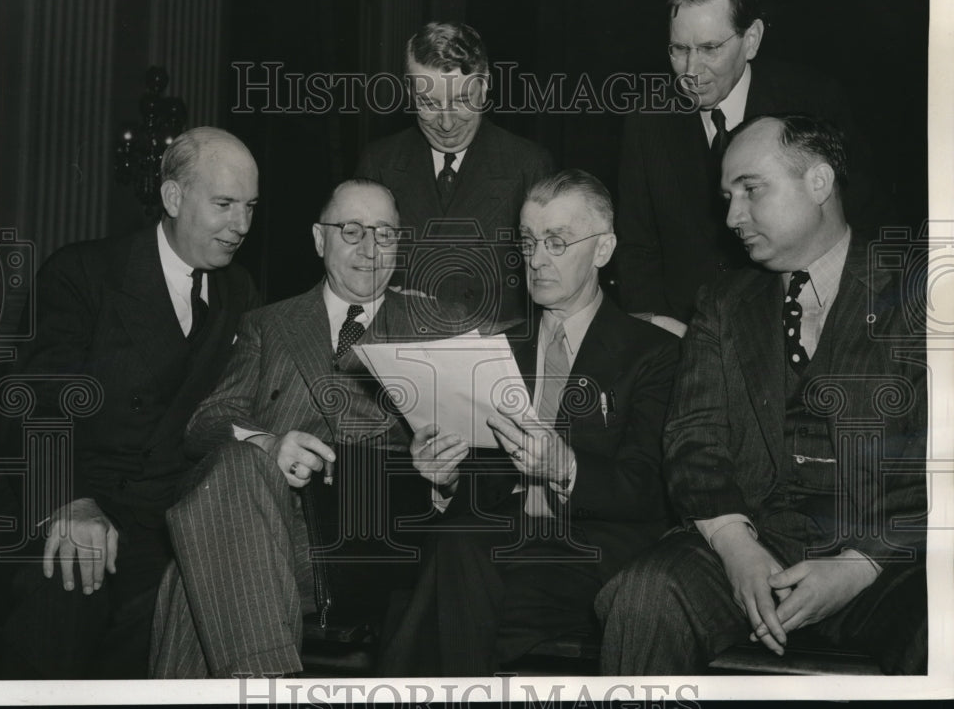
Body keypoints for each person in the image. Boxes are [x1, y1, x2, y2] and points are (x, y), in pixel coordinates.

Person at [596, 115, 927, 675]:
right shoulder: (724, 302)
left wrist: (860, 564)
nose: (731, 217)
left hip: (887, 559)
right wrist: (734, 547)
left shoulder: (919, 292)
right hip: (753, 542)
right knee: (646, 594)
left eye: (751, 190)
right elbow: (692, 442)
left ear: (818, 184)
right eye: (728, 196)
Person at [380, 170, 679, 676]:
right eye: (528, 241)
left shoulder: (654, 353)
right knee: (454, 555)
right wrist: (447, 476)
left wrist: (567, 468)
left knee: (423, 594)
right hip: (498, 547)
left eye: (556, 242)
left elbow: (652, 489)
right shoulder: (501, 350)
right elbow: (489, 480)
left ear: (603, 249)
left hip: (596, 547)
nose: (536, 259)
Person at [149, 179, 451, 678]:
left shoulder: (435, 324)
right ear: (318, 239)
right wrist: (268, 442)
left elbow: (479, 450)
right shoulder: (267, 324)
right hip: (262, 516)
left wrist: (439, 467)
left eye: (385, 234)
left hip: (366, 534)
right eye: (351, 231)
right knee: (242, 471)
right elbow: (205, 423)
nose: (369, 249)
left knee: (195, 569)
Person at [0, 127, 262, 678]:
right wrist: (69, 503)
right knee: (58, 613)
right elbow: (34, 406)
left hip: (169, 522)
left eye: (250, 207)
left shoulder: (242, 294)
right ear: (172, 198)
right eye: (224, 205)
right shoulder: (84, 274)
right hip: (79, 498)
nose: (241, 226)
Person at [615, 0, 880, 329]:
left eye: (710, 48)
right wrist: (654, 325)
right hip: (682, 330)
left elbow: (858, 219)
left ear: (751, 39)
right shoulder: (646, 120)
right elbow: (636, 245)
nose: (691, 71)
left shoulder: (813, 100)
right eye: (679, 49)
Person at [355, 21, 554, 327]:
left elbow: (547, 286)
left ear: (485, 83)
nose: (446, 124)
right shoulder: (378, 163)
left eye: (462, 101)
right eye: (428, 104)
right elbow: (356, 273)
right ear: (409, 91)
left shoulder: (529, 166)